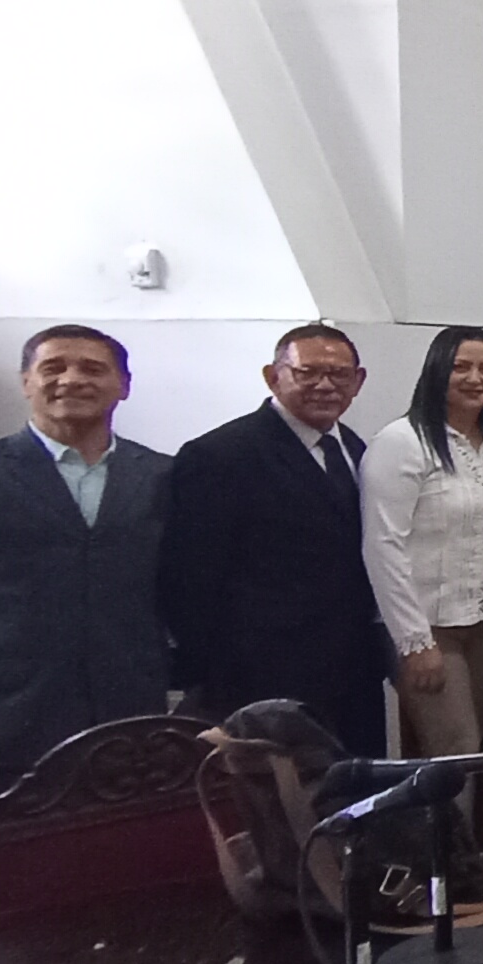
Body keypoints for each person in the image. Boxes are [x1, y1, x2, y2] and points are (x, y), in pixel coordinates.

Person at [0, 326, 172, 775]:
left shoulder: (164, 477)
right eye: (53, 368)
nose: (72, 379)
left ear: (123, 385)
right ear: (26, 381)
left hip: (127, 715)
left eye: (92, 369)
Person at [161, 323, 386, 757]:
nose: (325, 385)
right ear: (273, 376)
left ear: (358, 381)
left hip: (351, 667)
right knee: (275, 793)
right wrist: (212, 677)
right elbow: (189, 580)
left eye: (339, 374)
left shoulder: (356, 449)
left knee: (351, 786)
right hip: (260, 677)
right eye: (308, 372)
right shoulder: (219, 455)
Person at [360, 326, 483, 757]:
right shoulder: (402, 442)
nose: (475, 378)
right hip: (427, 626)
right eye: (461, 367)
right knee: (455, 749)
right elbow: (382, 545)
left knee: (472, 751)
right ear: (436, 371)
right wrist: (414, 641)